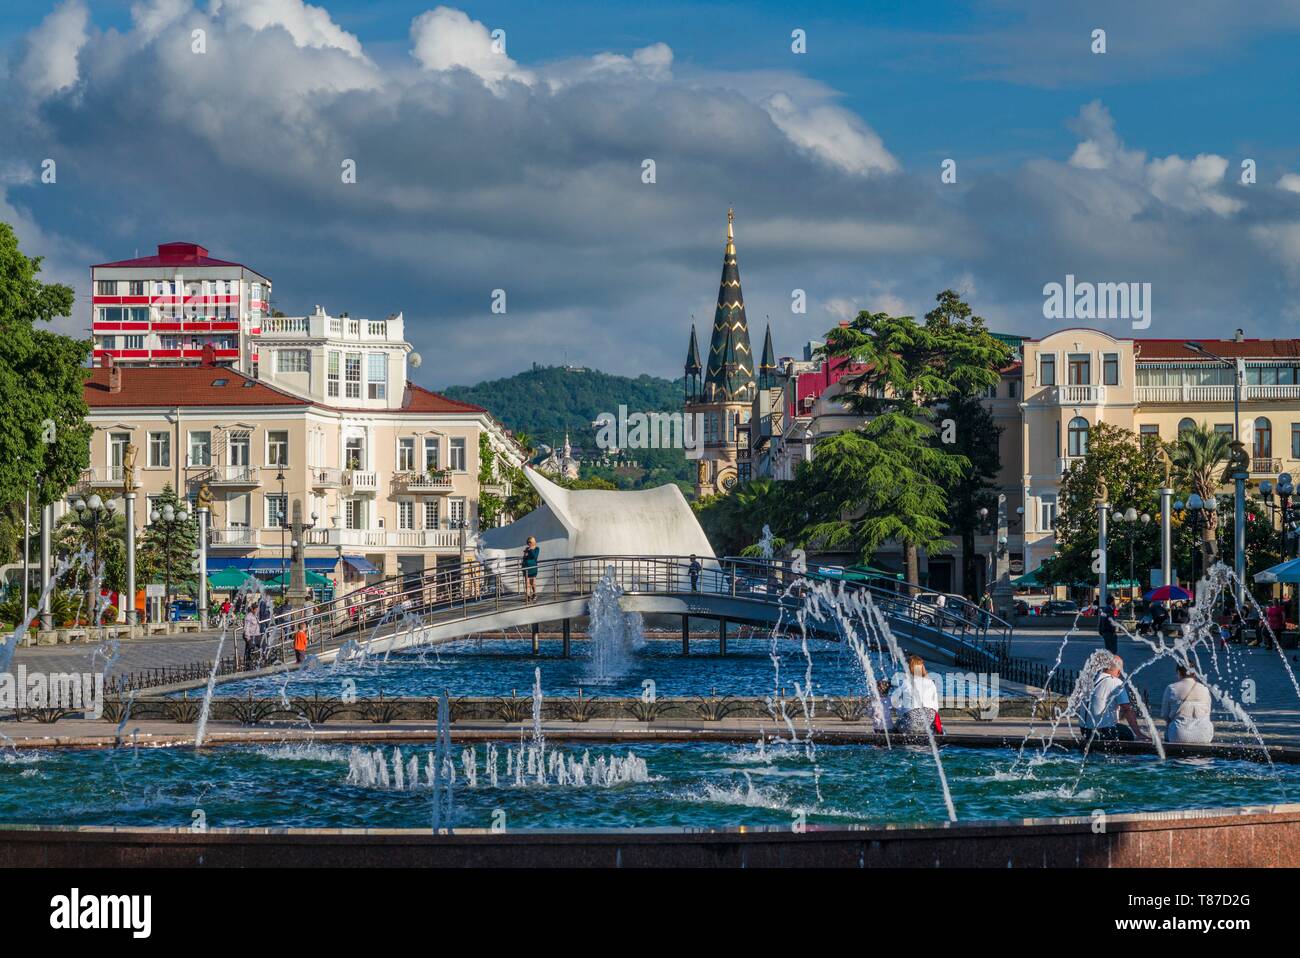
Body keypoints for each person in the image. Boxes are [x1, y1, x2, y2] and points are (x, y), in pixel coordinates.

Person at [1079, 653, 1149, 744]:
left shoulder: (1092, 679)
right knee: (1127, 733)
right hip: (1102, 731)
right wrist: (1139, 733)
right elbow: (1127, 709)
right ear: (1119, 672)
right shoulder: (1115, 682)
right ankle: (1120, 756)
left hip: (1084, 730)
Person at [1160, 665, 1214, 744]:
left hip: (1178, 735)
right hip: (1204, 735)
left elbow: (1165, 715)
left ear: (1178, 672)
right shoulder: (1205, 689)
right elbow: (1208, 713)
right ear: (1194, 673)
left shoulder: (1171, 688)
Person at [890, 654, 941, 735]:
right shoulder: (931, 683)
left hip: (911, 724)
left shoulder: (907, 682)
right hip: (928, 723)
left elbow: (893, 700)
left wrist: (900, 709)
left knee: (897, 724)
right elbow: (936, 707)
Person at [521, 536, 540, 602]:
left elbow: (535, 557)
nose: (529, 543)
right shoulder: (527, 549)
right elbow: (524, 558)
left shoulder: (537, 548)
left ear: (533, 542)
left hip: (533, 568)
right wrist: (525, 554)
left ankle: (534, 594)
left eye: (530, 542)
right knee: (527, 583)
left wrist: (531, 550)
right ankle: (528, 596)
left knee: (533, 583)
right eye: (528, 542)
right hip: (526, 567)